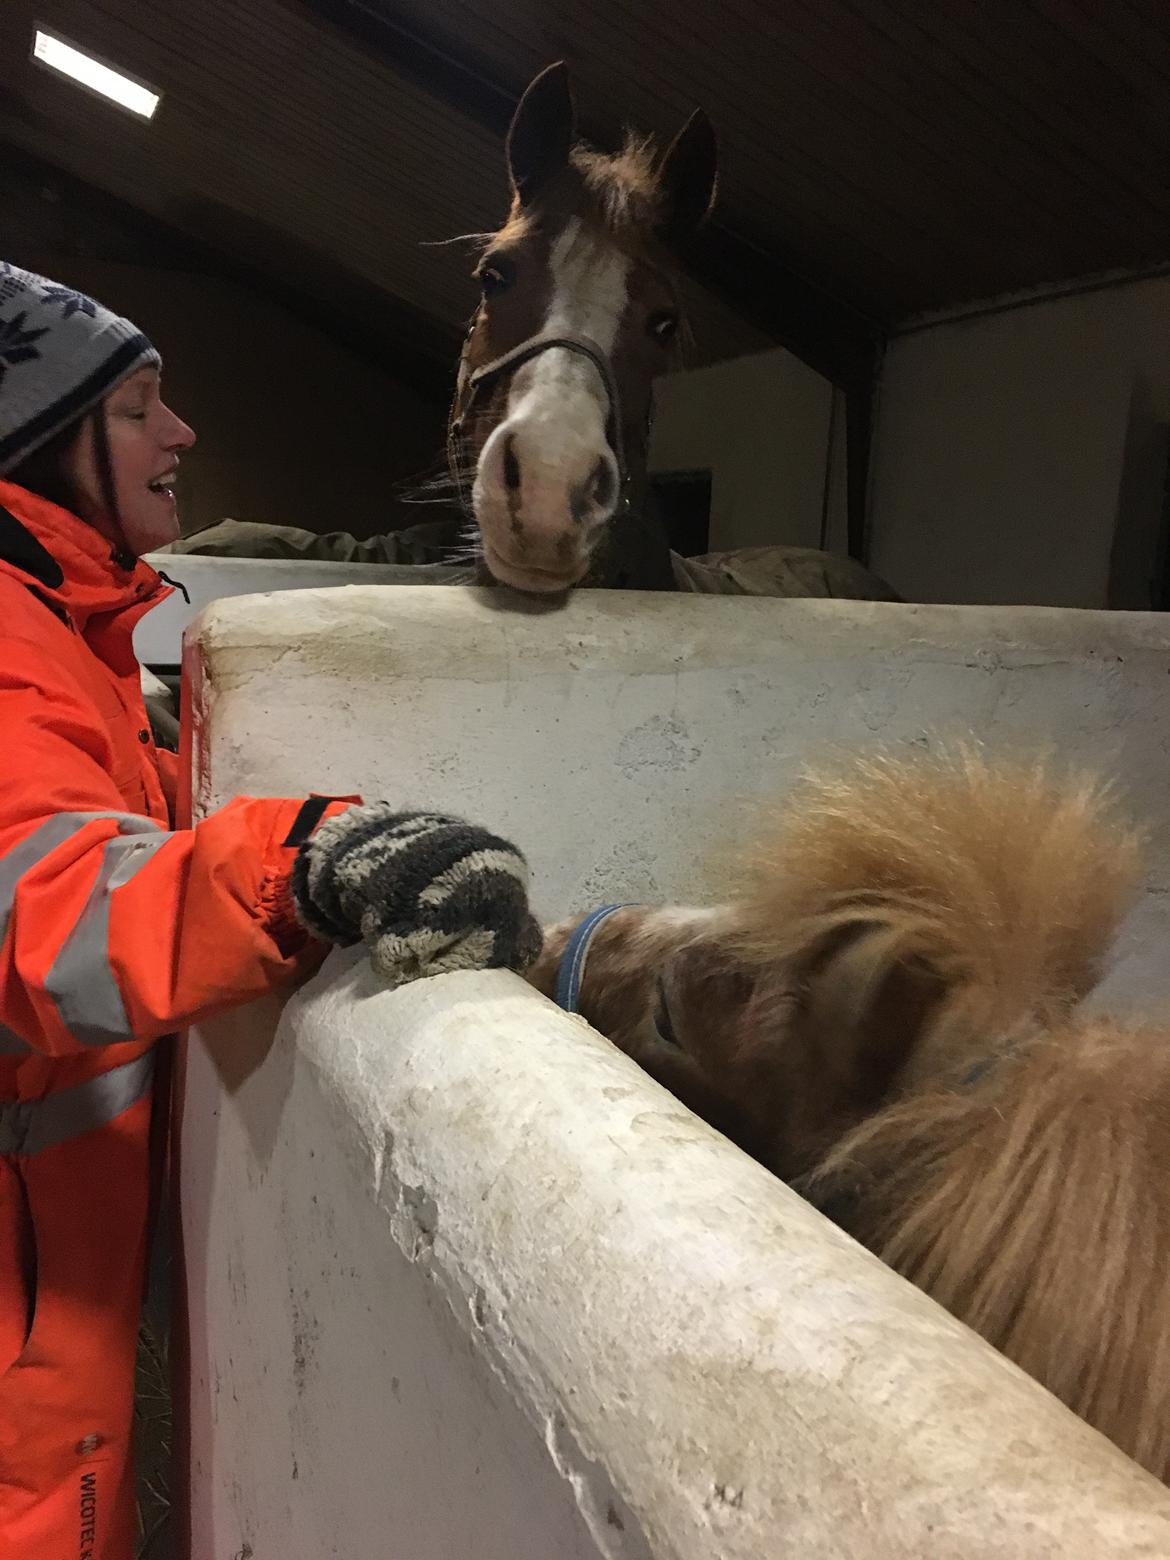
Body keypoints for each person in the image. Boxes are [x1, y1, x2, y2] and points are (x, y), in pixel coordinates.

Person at [0, 263, 541, 1559]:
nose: (181, 434)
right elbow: (36, 908)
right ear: (36, 441)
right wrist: (301, 865)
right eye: (138, 407)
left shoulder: (62, 629)